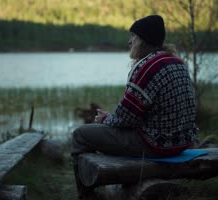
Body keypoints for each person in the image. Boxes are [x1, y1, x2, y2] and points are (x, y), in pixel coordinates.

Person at [71, 15, 197, 196]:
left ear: (144, 40)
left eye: (133, 37)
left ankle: (86, 195)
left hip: (157, 145)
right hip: (183, 143)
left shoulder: (146, 67)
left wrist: (105, 118)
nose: (129, 42)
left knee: (80, 135)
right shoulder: (178, 62)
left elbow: (125, 119)